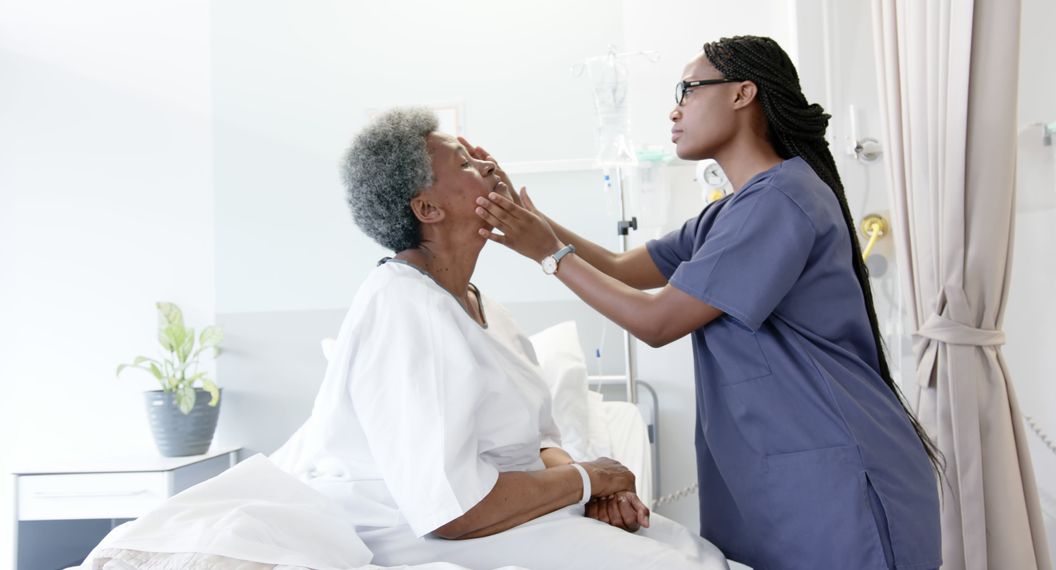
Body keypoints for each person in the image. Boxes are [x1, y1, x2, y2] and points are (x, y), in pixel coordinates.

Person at [473, 36, 943, 570]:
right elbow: (623, 267)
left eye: (688, 91)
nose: (674, 110)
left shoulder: (781, 201)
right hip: (777, 475)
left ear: (744, 93)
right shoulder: (732, 211)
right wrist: (525, 218)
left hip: (836, 476)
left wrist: (549, 255)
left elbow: (656, 321)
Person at [271, 107, 730, 570]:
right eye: (466, 164)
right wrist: (590, 480)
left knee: (691, 551)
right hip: (433, 530)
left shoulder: (482, 307)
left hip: (515, 510)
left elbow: (540, 443)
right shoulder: (403, 308)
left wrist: (592, 490)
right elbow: (452, 507)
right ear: (428, 208)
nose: (490, 166)